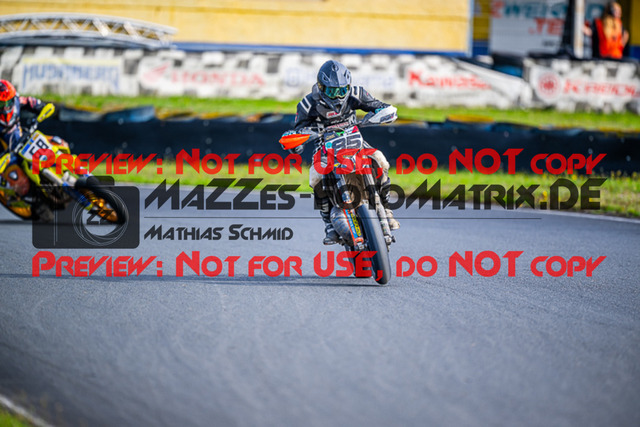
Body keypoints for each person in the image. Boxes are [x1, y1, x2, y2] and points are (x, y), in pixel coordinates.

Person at [285, 60, 398, 245]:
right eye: (332, 91)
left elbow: (379, 105)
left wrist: (384, 113)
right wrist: (296, 144)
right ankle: (329, 225)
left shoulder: (357, 93)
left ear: (348, 86)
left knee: (380, 159)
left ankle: (386, 208)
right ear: (321, 87)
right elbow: (298, 131)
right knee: (315, 177)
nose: (338, 96)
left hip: (354, 140)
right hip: (324, 146)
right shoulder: (307, 104)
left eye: (342, 90)